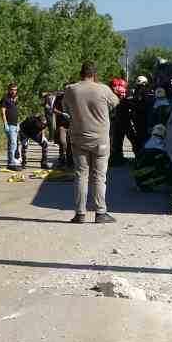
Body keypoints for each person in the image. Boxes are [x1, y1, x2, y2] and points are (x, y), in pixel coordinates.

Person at [59, 62, 121, 224]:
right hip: (100, 139)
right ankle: (100, 213)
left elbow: (65, 107)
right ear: (94, 74)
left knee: (81, 176)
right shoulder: (103, 89)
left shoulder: (71, 90)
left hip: (78, 138)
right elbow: (116, 103)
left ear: (81, 74)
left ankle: (80, 214)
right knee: (99, 176)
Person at [109, 76, 131, 165]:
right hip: (115, 122)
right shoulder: (112, 98)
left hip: (118, 122)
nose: (123, 94)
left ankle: (118, 157)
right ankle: (114, 159)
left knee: (118, 140)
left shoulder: (117, 97)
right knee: (115, 141)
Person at [0, 83, 21, 169]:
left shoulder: (14, 100)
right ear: (8, 90)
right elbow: (2, 112)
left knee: (12, 143)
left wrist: (18, 123)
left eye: (15, 90)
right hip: (9, 124)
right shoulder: (5, 99)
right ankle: (12, 161)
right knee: (13, 143)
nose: (14, 91)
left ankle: (10, 161)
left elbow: (15, 112)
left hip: (15, 124)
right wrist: (5, 124)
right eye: (12, 89)